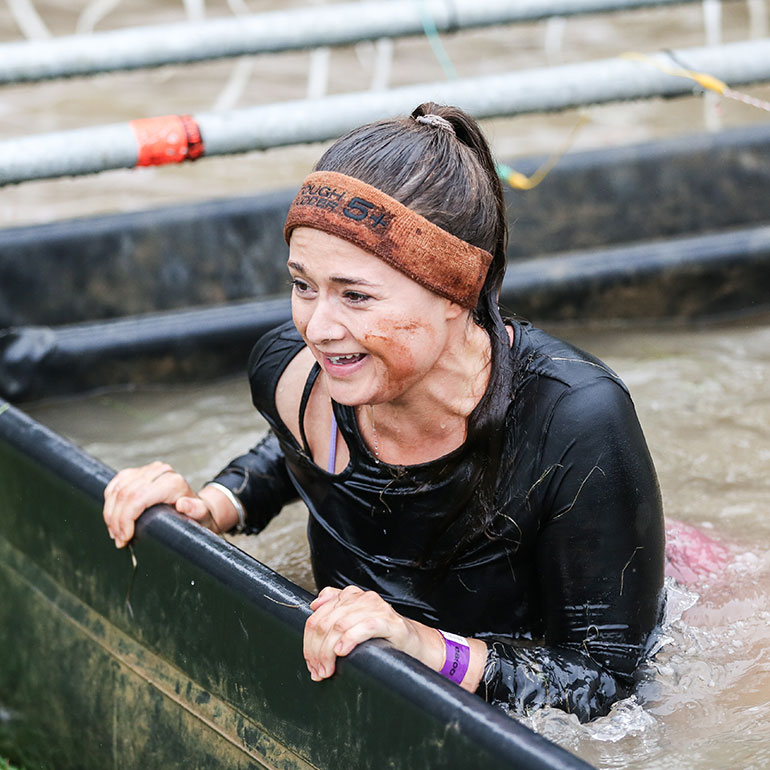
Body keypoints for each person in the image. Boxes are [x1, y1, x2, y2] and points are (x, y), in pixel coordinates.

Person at [103, 102, 665, 722]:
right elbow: (294, 453)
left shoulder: (575, 423)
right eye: (302, 285)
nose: (317, 327)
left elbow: (609, 685)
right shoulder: (293, 379)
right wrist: (211, 506)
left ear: (460, 292)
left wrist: (420, 646)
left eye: (356, 295)